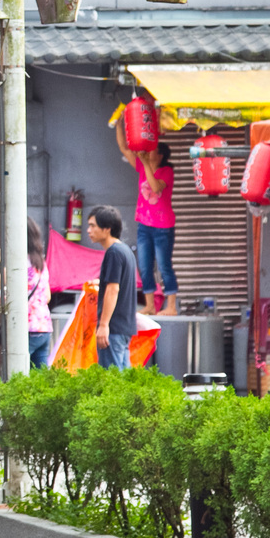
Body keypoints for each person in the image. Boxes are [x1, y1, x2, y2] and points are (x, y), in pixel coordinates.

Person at [115, 120, 179, 316]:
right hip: (144, 225)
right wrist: (119, 124)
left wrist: (144, 163)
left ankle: (171, 307)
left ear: (160, 155)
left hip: (163, 227)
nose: (147, 153)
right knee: (144, 266)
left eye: (152, 151)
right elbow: (124, 148)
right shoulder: (143, 168)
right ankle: (150, 305)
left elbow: (155, 187)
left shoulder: (167, 171)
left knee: (164, 265)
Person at [0, 218, 54, 369]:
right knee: (41, 377)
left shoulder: (19, 263)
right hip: (44, 327)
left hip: (26, 328)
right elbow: (47, 297)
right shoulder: (40, 262)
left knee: (17, 372)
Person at [87, 205, 138, 370]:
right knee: (122, 383)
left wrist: (103, 325)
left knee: (112, 384)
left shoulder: (114, 252)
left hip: (113, 329)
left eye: (93, 226)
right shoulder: (125, 251)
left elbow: (113, 289)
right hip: (123, 328)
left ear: (107, 229)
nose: (88, 230)